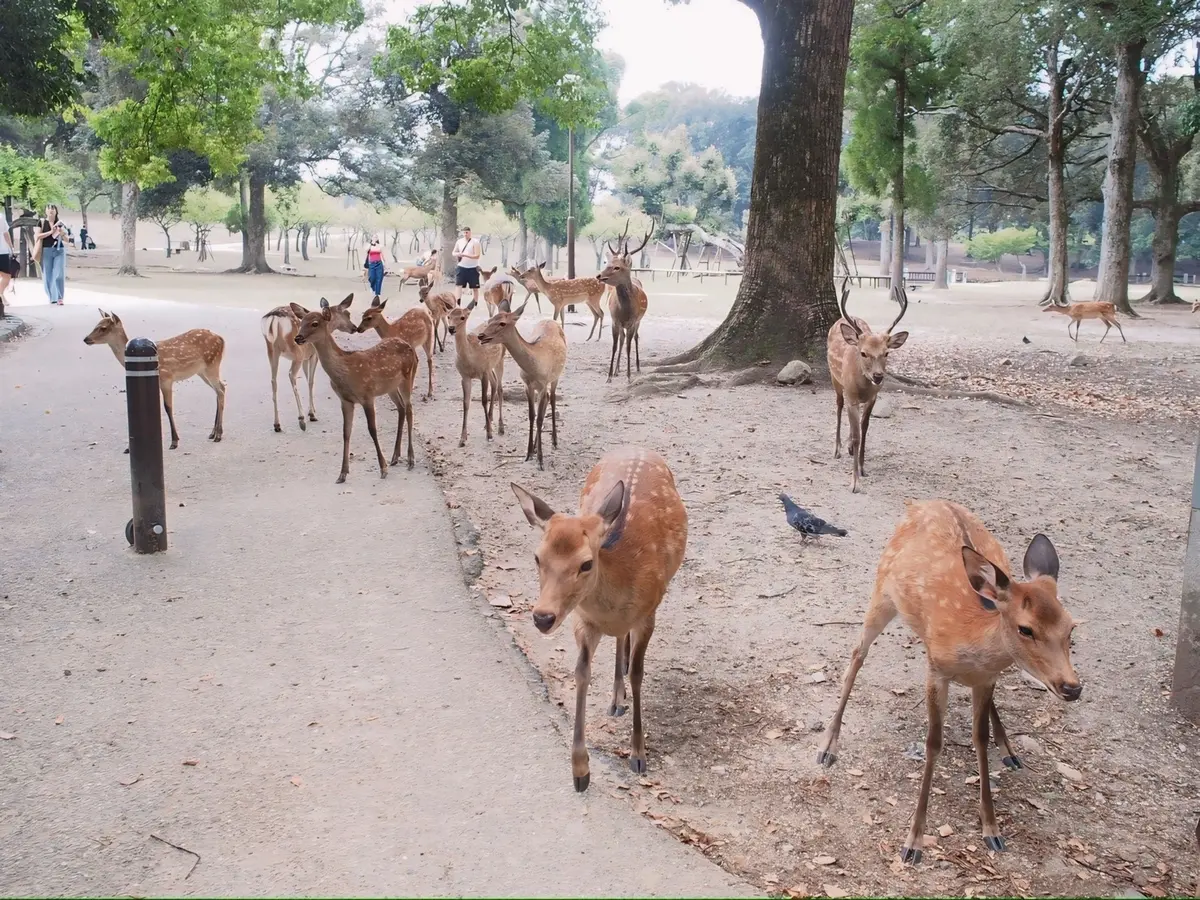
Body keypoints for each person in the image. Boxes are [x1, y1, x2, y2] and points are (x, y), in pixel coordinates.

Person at [35, 204, 66, 305]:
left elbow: (67, 239)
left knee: (59, 274)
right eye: (48, 208)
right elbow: (38, 236)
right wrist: (51, 232)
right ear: (46, 211)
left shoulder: (60, 223)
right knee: (48, 274)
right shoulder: (42, 222)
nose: (51, 210)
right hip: (46, 250)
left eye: (53, 208)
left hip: (59, 250)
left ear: (56, 211)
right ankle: (52, 297)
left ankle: (59, 297)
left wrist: (61, 233)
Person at [452, 226, 482, 306]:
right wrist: (458, 254)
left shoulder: (475, 242)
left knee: (475, 287)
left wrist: (466, 255)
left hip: (473, 267)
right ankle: (458, 303)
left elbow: (477, 255)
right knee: (459, 286)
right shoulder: (459, 242)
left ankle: (475, 303)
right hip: (461, 267)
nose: (465, 234)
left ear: (470, 233)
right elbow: (453, 252)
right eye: (464, 232)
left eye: (467, 232)